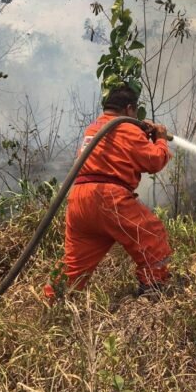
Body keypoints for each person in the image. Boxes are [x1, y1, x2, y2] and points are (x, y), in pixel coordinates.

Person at [44, 84, 173, 301]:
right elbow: (154, 160)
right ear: (130, 109)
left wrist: (140, 133)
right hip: (108, 198)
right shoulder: (127, 128)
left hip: (79, 201)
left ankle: (53, 302)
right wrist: (159, 137)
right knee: (152, 236)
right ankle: (154, 289)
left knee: (74, 264)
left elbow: (118, 149)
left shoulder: (94, 128)